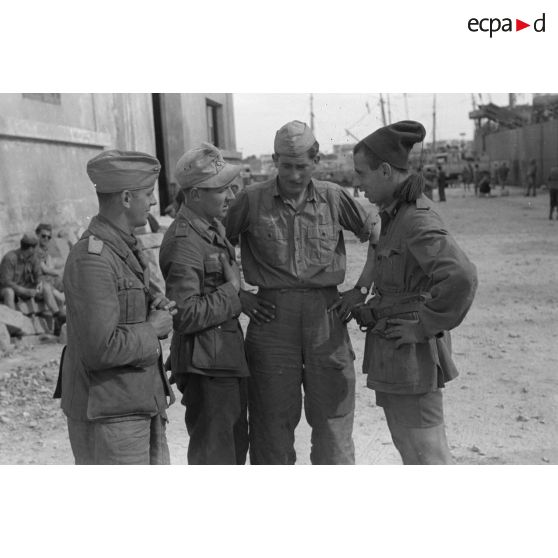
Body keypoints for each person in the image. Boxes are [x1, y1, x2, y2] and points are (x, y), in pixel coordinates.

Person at [225, 120, 379, 465]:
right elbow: (218, 244)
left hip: (327, 317)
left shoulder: (333, 197)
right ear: (275, 160)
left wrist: (362, 289)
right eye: (286, 166)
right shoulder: (252, 200)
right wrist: (238, 293)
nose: (294, 175)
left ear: (316, 160)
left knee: (334, 421)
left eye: (301, 166)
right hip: (271, 321)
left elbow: (379, 235)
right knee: (270, 424)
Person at [351, 120, 478, 465]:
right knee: (411, 452)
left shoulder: (416, 220)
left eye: (362, 174)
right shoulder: (394, 216)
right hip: (395, 352)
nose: (357, 184)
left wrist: (424, 325)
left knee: (429, 456)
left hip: (412, 353)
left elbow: (461, 276)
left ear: (387, 170)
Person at [54, 150, 176, 465]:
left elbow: (123, 308)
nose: (152, 202)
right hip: (111, 418)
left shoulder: (123, 247)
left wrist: (150, 305)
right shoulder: (92, 259)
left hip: (133, 404)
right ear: (125, 198)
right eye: (148, 194)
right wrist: (153, 328)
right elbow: (100, 348)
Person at [159, 143, 249, 465]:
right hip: (206, 367)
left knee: (233, 451)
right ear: (195, 194)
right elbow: (183, 314)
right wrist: (233, 290)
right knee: (216, 457)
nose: (229, 196)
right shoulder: (184, 240)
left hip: (219, 360)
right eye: (220, 189)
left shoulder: (210, 228)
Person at [0, 233, 63, 322]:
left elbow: (38, 274)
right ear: (30, 248)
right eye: (34, 248)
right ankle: (14, 322)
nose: (36, 250)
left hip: (25, 286)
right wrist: (24, 291)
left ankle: (57, 315)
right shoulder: (10, 258)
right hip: (8, 289)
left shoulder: (33, 258)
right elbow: (6, 282)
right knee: (9, 292)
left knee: (45, 286)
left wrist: (39, 283)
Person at [34, 223, 65, 306]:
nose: (46, 239)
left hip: (46, 280)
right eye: (43, 236)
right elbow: (45, 269)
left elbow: (50, 264)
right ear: (37, 235)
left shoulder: (44, 249)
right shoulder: (34, 249)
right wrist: (60, 272)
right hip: (37, 283)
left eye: (49, 237)